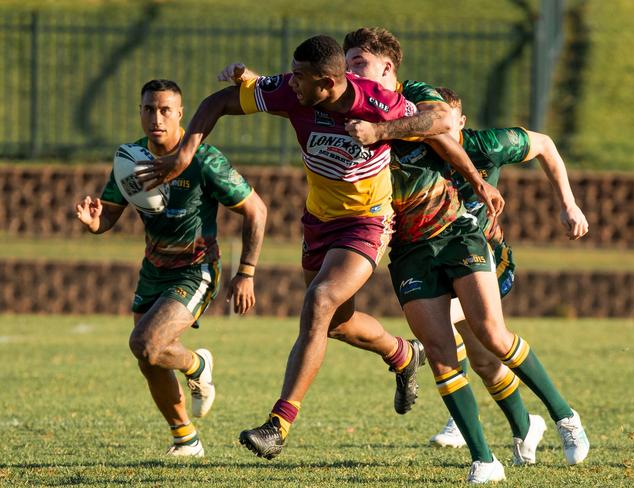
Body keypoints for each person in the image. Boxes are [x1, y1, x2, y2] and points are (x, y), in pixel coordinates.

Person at [136, 35, 504, 463]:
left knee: (321, 299)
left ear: (328, 83)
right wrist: (185, 153)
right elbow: (218, 101)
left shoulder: (377, 103)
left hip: (368, 222)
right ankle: (403, 354)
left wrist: (477, 181)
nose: (290, 83)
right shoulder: (295, 92)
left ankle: (279, 423)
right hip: (318, 224)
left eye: (299, 78)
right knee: (336, 323)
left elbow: (435, 131)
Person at [342, 27, 590, 482]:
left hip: (465, 240)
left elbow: (440, 122)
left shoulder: (450, 123)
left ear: (388, 68)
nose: (349, 72)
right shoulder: (347, 102)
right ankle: (486, 457)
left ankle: (564, 418)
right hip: (410, 251)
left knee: (490, 337)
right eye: (347, 63)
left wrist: (568, 204)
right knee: (450, 354)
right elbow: (304, 89)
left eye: (358, 62)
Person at [75, 79, 267, 457]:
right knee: (150, 361)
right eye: (149, 109)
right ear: (140, 112)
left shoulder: (204, 160)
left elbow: (256, 210)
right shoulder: (130, 160)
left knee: (145, 344)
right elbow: (110, 215)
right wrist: (95, 222)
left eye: (165, 110)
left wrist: (246, 271)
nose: (156, 118)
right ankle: (186, 439)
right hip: (154, 269)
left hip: (196, 269)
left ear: (180, 113)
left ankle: (197, 364)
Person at [428, 87, 589, 459]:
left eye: (446, 122)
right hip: (436, 256)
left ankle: (564, 418)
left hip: (484, 257)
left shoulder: (487, 145)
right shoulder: (417, 150)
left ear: (461, 123)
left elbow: (546, 144)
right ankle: (524, 425)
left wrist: (569, 204)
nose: (439, 130)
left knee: (440, 327)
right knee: (486, 360)